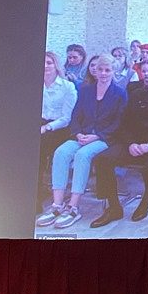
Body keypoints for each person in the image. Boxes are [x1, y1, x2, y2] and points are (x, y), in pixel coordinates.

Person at [90, 57, 148, 226]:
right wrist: (131, 144)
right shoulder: (137, 95)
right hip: (134, 145)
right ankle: (114, 207)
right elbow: (124, 125)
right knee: (102, 159)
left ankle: (146, 201)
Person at [37, 54, 126, 229]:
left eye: (107, 70)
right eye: (100, 69)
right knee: (61, 152)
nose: (103, 73)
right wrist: (78, 133)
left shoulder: (120, 94)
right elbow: (76, 115)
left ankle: (73, 207)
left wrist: (97, 135)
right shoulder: (86, 90)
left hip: (104, 138)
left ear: (113, 72)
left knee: (82, 155)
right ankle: (57, 205)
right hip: (82, 134)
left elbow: (119, 122)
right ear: (95, 71)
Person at [38, 51, 77, 210]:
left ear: (56, 65)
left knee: (38, 147)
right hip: (40, 124)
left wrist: (47, 127)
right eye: (43, 62)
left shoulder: (67, 86)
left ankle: (37, 197)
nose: (45, 66)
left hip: (59, 128)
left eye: (49, 62)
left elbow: (67, 118)